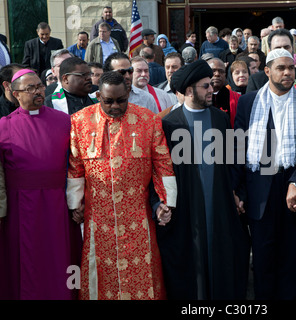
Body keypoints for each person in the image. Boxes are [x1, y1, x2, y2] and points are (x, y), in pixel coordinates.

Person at [67, 71, 176, 300]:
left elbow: (163, 163)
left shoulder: (148, 119)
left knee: (143, 274)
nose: (115, 106)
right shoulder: (79, 121)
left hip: (138, 215)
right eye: (108, 101)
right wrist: (75, 203)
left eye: (120, 100)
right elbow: (76, 165)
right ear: (98, 95)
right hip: (98, 216)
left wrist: (167, 202)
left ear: (128, 93)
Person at [151, 59, 250, 300]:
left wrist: (236, 192)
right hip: (186, 208)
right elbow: (157, 172)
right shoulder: (168, 124)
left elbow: (231, 161)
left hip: (220, 205)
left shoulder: (220, 119)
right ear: (188, 91)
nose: (211, 89)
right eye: (205, 86)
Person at [231, 48, 296, 300]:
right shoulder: (249, 102)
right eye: (281, 68)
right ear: (267, 71)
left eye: (291, 68)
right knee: (263, 255)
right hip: (259, 185)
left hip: (293, 187)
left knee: (293, 254)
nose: (287, 73)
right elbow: (237, 147)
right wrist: (236, 189)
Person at [0, 69, 82, 299]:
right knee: (26, 262)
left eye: (39, 86)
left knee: (60, 259)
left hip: (58, 204)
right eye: (30, 88)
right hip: (21, 208)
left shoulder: (65, 121)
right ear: (15, 94)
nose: (38, 91)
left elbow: (77, 163)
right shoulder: (3, 126)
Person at [246, 28, 296, 98]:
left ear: (293, 50)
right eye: (277, 48)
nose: (283, 52)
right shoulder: (256, 81)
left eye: (286, 47)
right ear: (269, 51)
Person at [207, 57, 241, 127]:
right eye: (213, 71)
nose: (217, 74)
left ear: (225, 75)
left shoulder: (237, 98)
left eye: (221, 71)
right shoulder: (199, 98)